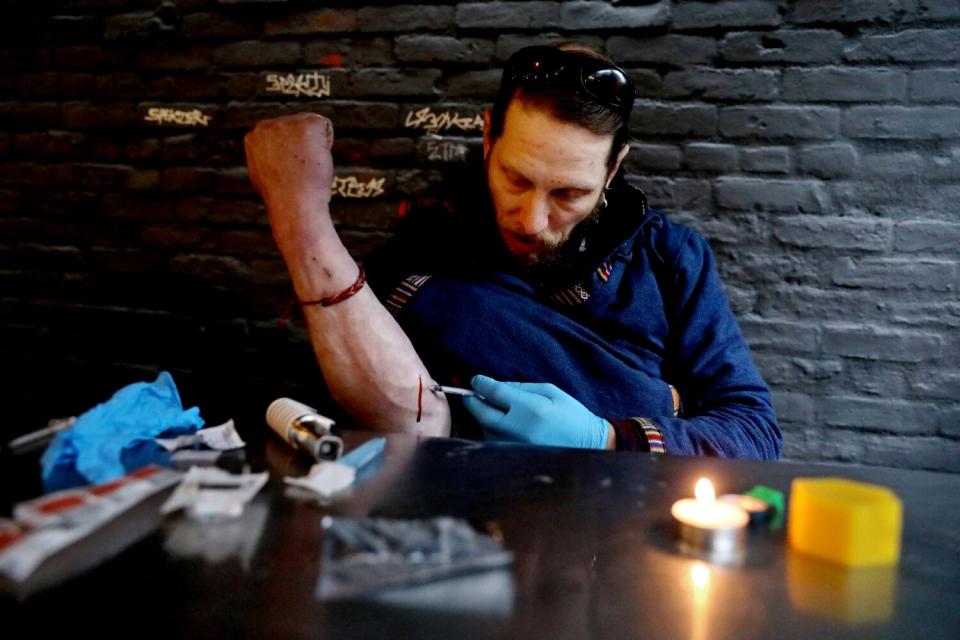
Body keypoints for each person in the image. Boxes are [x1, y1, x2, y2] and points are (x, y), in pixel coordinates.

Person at [244, 43, 781, 459]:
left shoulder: (669, 259)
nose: (532, 220)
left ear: (613, 168)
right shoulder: (431, 248)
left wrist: (607, 437)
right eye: (515, 179)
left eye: (569, 194)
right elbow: (393, 411)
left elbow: (753, 430)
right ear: (487, 141)